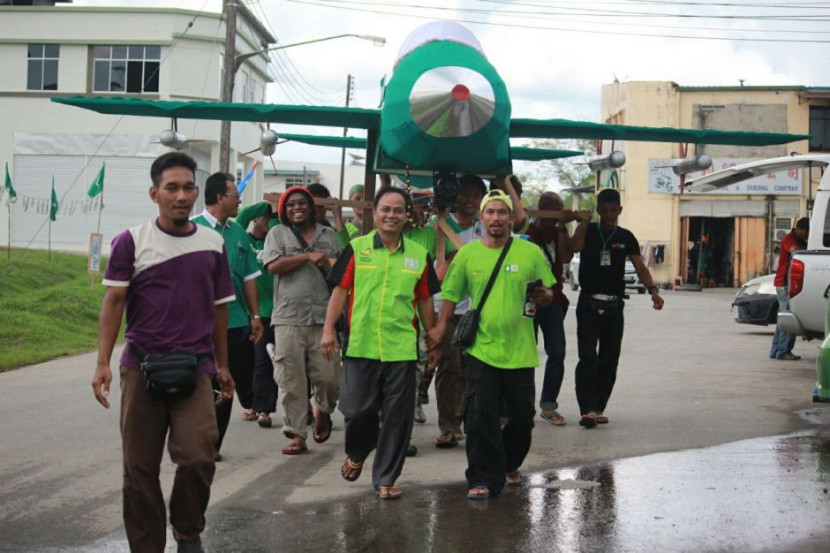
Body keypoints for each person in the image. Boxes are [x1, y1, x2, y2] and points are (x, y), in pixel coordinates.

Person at [92, 152, 235, 553]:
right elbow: (113, 302)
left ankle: (187, 529)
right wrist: (102, 363)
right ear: (154, 193)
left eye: (188, 187)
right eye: (171, 188)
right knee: (138, 468)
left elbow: (219, 309)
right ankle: (146, 546)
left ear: (196, 192)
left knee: (198, 457)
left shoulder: (213, 243)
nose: (181, 196)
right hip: (141, 366)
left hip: (197, 367)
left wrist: (222, 365)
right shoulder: (131, 241)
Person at [429, 189, 555, 500]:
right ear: (482, 217)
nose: (496, 218)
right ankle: (481, 478)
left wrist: (545, 296)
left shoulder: (530, 252)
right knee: (479, 417)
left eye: (502, 212)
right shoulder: (468, 254)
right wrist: (441, 327)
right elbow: (450, 294)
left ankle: (508, 463)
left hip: (520, 351)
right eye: (490, 212)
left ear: (511, 218)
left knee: (522, 418)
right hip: (481, 350)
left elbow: (550, 292)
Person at [322, 186, 440, 500]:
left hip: (402, 349)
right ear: (374, 214)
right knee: (356, 410)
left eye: (398, 210)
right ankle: (357, 452)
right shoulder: (358, 248)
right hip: (361, 345)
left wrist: (432, 338)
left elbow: (425, 299)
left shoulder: (418, 255)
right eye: (385, 209)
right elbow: (340, 291)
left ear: (406, 216)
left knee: (398, 418)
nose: (391, 215)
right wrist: (328, 330)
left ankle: (386, 477)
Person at [570, 188, 664, 428]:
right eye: (604, 210)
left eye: (613, 210)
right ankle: (587, 410)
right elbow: (575, 247)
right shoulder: (590, 231)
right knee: (587, 358)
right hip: (588, 302)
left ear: (620, 210)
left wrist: (653, 290)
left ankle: (599, 407)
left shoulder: (626, 237)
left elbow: (640, 266)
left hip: (614, 305)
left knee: (609, 358)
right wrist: (583, 223)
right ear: (598, 210)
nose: (609, 215)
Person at [263, 185, 342, 455]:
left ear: (311, 207)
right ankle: (296, 434)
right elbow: (273, 265)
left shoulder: (328, 235)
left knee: (329, 375)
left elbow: (341, 271)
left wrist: (327, 263)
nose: (297, 208)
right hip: (288, 318)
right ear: (284, 210)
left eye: (302, 203)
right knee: (290, 379)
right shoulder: (276, 233)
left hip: (323, 317)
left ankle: (323, 409)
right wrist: (307, 256)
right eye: (291, 204)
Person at [192, 173, 264, 458]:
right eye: (235, 195)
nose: (239, 201)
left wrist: (255, 315)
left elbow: (249, 277)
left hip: (234, 323)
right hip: (197, 326)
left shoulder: (238, 234)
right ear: (220, 197)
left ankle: (213, 444)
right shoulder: (190, 229)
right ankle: (196, 438)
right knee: (201, 383)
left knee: (224, 382)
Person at [429, 174, 487, 449]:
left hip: (473, 310)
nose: (470, 200)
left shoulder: (484, 228)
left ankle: (459, 420)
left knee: (467, 369)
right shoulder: (438, 225)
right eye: (465, 194)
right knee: (448, 368)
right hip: (442, 307)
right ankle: (447, 426)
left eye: (476, 196)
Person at [527, 192, 578, 426]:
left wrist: (563, 227)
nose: (555, 217)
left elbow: (566, 257)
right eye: (553, 211)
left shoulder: (559, 232)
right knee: (526, 354)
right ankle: (524, 404)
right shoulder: (528, 234)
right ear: (542, 210)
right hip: (529, 300)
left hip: (554, 301)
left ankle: (548, 405)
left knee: (557, 352)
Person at [236, 201, 280, 427]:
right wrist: (266, 206)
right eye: (266, 219)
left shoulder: (275, 240)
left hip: (269, 309)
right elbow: (243, 215)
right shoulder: (243, 238)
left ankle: (264, 408)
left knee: (264, 359)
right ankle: (251, 404)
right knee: (245, 361)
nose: (269, 223)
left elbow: (276, 227)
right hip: (244, 309)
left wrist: (272, 217)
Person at [770, 217, 809, 361]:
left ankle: (775, 350)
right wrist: (810, 250)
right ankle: (783, 351)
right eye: (806, 232)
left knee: (783, 319)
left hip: (787, 283)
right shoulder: (789, 239)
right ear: (800, 229)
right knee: (789, 317)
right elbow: (794, 250)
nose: (807, 235)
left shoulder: (800, 240)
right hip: (784, 284)